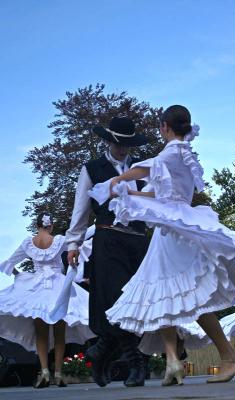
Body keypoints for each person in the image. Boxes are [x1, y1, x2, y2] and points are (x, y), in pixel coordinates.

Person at [89, 105, 235, 386]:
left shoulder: (173, 152)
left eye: (161, 127)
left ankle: (228, 355)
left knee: (186, 295)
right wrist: (128, 192)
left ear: (165, 126)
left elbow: (142, 169)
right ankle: (173, 362)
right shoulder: (180, 154)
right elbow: (156, 193)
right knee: (165, 294)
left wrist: (115, 181)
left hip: (177, 232)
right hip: (168, 231)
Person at [66, 117, 150, 387]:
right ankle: (136, 363)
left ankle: (100, 351)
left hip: (138, 242)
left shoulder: (141, 168)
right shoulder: (92, 168)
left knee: (137, 303)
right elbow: (81, 209)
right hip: (108, 240)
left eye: (127, 144)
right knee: (115, 301)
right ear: (108, 141)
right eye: (118, 143)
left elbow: (153, 203)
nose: (123, 149)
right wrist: (73, 244)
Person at [0, 213, 94, 388]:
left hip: (36, 290)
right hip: (58, 288)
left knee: (41, 334)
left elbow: (9, 263)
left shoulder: (28, 243)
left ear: (38, 225)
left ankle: (44, 372)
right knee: (60, 334)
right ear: (50, 225)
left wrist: (21, 279)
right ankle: (58, 374)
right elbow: (78, 241)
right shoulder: (58, 240)